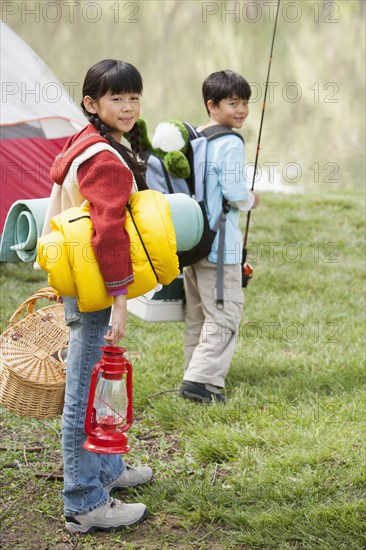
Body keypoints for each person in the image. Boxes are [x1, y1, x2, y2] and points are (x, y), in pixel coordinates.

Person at [42, 59, 152, 534]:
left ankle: (108, 470)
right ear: (92, 103)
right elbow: (108, 235)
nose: (128, 107)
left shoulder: (84, 140)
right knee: (86, 393)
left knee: (93, 386)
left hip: (80, 279)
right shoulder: (106, 158)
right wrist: (121, 300)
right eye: (116, 98)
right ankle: (84, 502)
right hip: (94, 288)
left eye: (133, 97)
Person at [179, 69, 260, 404]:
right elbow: (234, 190)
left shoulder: (197, 138)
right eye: (232, 103)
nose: (240, 110)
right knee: (224, 315)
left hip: (193, 241)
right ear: (212, 105)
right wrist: (252, 198)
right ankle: (201, 384)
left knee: (197, 314)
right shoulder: (229, 142)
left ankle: (193, 371)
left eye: (244, 103)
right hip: (220, 247)